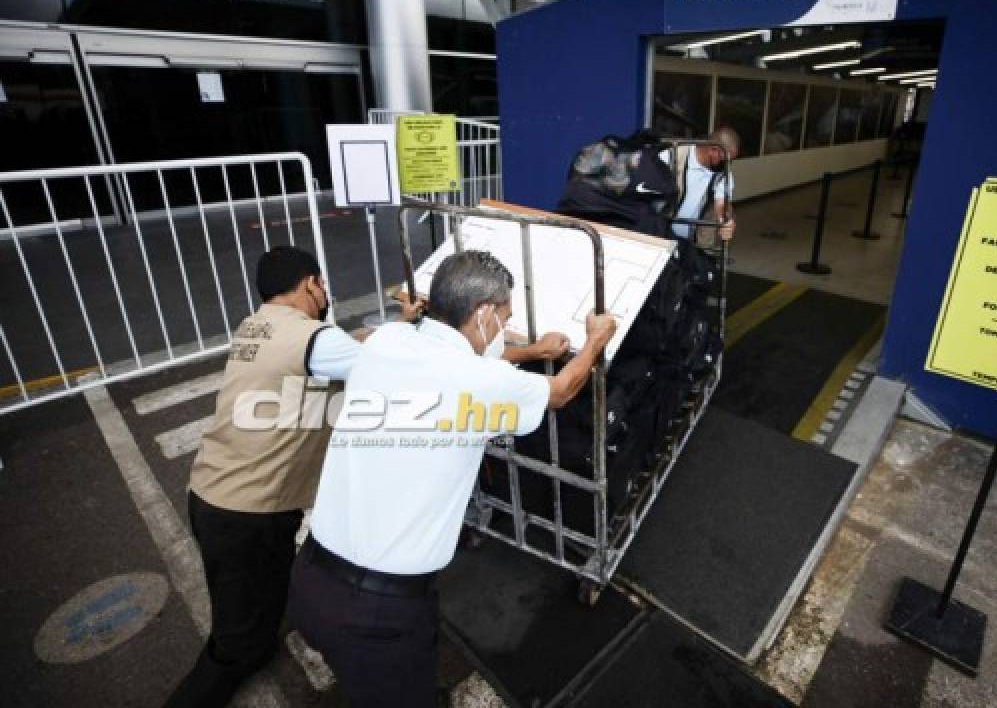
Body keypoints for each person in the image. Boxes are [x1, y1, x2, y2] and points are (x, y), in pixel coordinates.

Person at [289, 250, 617, 708]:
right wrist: (596, 340)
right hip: (378, 615)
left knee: (384, 679)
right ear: (483, 314)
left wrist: (534, 350)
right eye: (504, 318)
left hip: (311, 579)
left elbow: (462, 366)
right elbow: (560, 391)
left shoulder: (387, 341)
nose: (504, 329)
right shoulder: (481, 382)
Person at [166, 246, 422, 708]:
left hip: (221, 495)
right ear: (309, 284)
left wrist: (398, 326)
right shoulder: (309, 338)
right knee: (232, 647)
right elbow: (383, 365)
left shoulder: (257, 326)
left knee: (278, 588)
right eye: (321, 285)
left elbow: (348, 347)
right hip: (244, 510)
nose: (324, 294)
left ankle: (265, 639)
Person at [659, 126, 740, 245]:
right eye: (726, 159)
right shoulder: (671, 156)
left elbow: (721, 203)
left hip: (692, 244)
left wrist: (727, 220)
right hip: (659, 236)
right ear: (714, 150)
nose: (728, 164)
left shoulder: (724, 173)